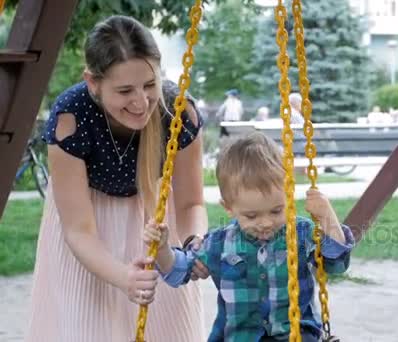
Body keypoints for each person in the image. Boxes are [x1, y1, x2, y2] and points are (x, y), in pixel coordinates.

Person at [26, 15, 210, 341]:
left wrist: (194, 242)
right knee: (87, 329)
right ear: (93, 82)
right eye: (125, 90)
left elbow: (191, 202)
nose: (141, 102)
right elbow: (78, 230)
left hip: (155, 223)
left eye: (150, 85)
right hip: (89, 233)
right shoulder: (72, 116)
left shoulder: (178, 113)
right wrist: (124, 276)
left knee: (165, 329)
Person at [144, 132, 355, 341]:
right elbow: (177, 272)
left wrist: (328, 218)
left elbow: (336, 265)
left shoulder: (300, 232)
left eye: (276, 211)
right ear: (228, 208)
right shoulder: (220, 243)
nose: (265, 223)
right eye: (251, 216)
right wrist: (162, 249)